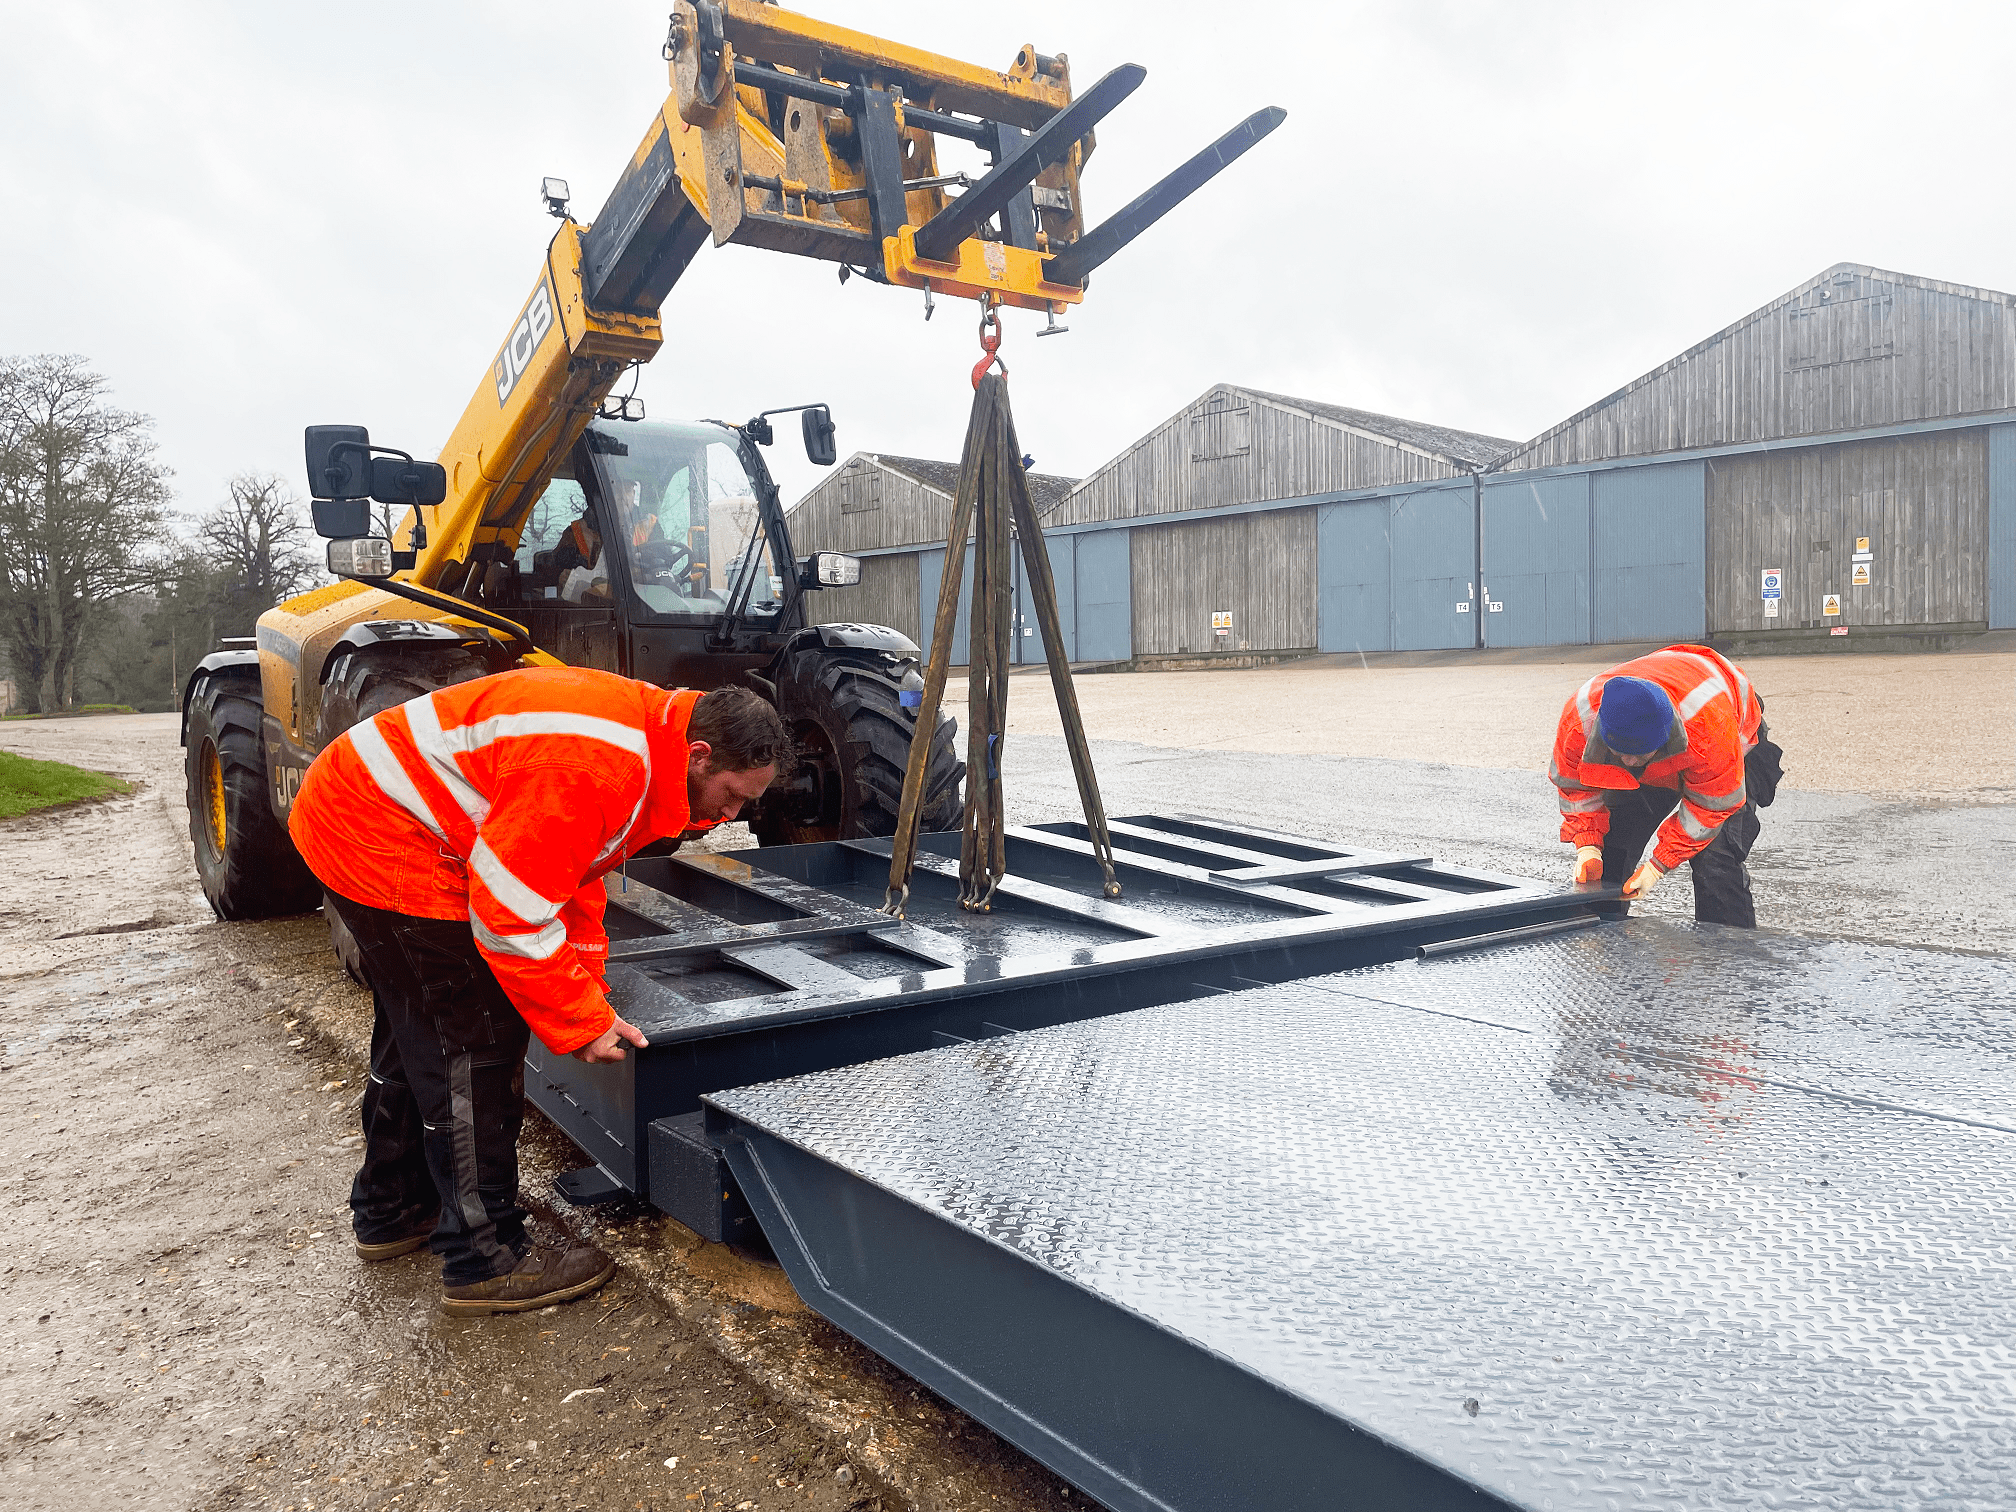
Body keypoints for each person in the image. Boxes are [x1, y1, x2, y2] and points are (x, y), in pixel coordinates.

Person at [288, 669, 787, 1314]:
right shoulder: (601, 768)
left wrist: (586, 984)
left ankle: (393, 1210)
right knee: (474, 1045)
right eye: (731, 794)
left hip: (361, 809)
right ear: (700, 755)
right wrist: (578, 1022)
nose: (730, 815)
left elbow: (570, 870)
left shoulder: (646, 743)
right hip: (383, 836)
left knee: (419, 1027)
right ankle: (485, 1260)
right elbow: (510, 911)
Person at [1549, 644, 1783, 928]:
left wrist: (1658, 865)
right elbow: (1576, 788)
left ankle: (1727, 956)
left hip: (1726, 736)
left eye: (1639, 754)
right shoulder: (1579, 723)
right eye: (1620, 753)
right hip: (1666, 725)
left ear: (1664, 739)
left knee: (1715, 858)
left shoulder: (1710, 730)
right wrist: (1588, 846)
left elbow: (1710, 807)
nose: (1630, 761)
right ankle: (1602, 942)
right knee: (1614, 846)